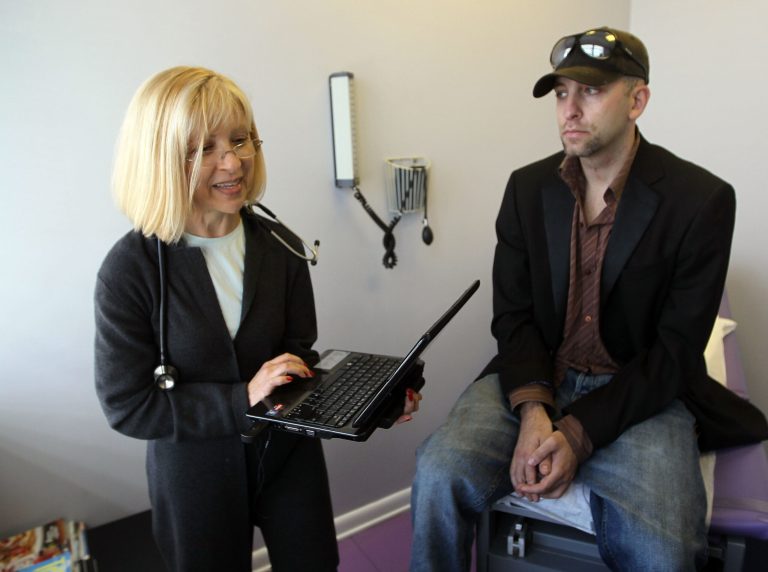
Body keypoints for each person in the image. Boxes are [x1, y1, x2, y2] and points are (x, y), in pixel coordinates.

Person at [410, 27, 768, 572]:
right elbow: (514, 315)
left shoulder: (700, 201)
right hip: (541, 375)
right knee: (437, 472)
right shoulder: (527, 189)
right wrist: (534, 410)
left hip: (640, 392)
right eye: (560, 93)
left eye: (591, 91)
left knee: (666, 552)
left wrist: (576, 436)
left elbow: (674, 352)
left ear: (637, 99)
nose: (569, 110)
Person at [94, 66, 419, 572]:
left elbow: (298, 361)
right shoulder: (129, 270)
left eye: (240, 140)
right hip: (194, 471)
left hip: (287, 455)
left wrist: (370, 404)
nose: (233, 161)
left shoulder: (281, 246)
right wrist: (239, 398)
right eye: (204, 148)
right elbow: (127, 404)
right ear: (159, 159)